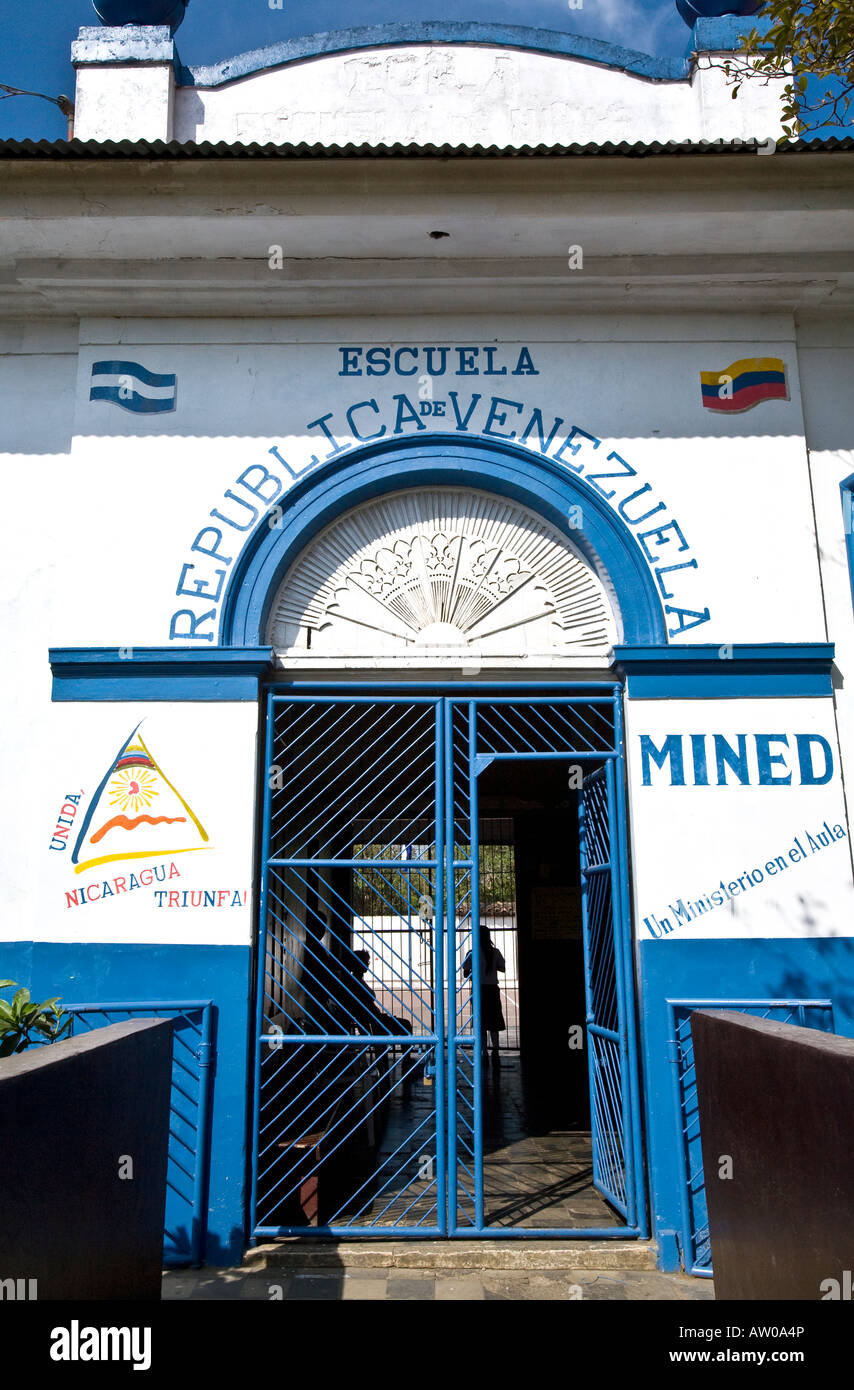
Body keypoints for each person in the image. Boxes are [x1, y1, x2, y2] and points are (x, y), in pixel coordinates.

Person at [462, 925, 506, 1062]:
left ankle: (484, 1051)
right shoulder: (495, 952)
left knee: (481, 1021)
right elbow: (502, 968)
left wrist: (475, 972)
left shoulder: (472, 953)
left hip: (478, 990)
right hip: (492, 989)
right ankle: (496, 1049)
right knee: (494, 1020)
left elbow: (465, 972)